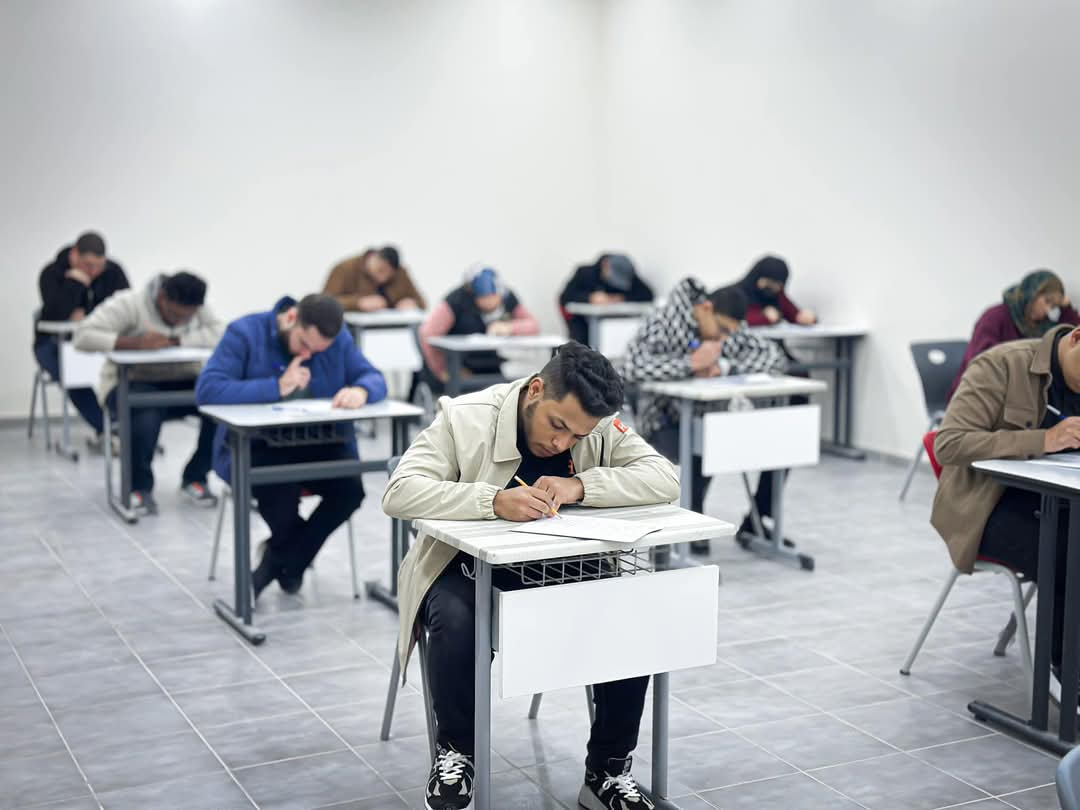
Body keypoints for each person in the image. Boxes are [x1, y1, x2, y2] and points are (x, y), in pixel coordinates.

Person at [383, 341, 679, 810]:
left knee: (632, 614)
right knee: (458, 618)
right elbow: (400, 491)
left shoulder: (597, 426)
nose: (562, 444)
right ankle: (456, 752)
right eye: (557, 425)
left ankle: (607, 772)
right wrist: (491, 501)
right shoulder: (465, 416)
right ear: (536, 390)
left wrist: (582, 484)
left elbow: (664, 478)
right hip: (465, 567)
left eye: (576, 437)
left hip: (562, 564)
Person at [196, 294, 387, 598]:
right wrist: (275, 387)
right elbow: (207, 390)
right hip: (258, 446)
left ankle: (276, 563)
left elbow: (374, 377)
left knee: (350, 489)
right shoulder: (245, 333)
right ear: (290, 319)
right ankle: (291, 565)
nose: (309, 354)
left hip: (321, 441)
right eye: (304, 345)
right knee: (279, 491)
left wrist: (361, 390)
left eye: (318, 350)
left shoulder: (339, 341)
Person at [933, 322, 1080, 705]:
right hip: (988, 507)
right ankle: (1066, 673)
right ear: (1077, 339)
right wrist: (1043, 440)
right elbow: (949, 443)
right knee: (1068, 554)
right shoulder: (1002, 366)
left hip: (1062, 503)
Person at [619, 278, 788, 553]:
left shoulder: (726, 328)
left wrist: (725, 366)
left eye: (729, 335)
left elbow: (774, 356)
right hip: (662, 420)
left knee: (770, 442)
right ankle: (683, 530)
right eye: (721, 330)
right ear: (706, 308)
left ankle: (734, 521)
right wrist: (690, 364)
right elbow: (632, 366)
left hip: (709, 420)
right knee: (703, 447)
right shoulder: (663, 321)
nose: (723, 339)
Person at [74, 271, 223, 514]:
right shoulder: (129, 303)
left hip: (183, 378)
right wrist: (135, 343)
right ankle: (139, 488)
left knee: (220, 406)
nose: (179, 323)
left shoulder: (199, 309)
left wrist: (176, 342)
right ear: (162, 297)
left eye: (188, 318)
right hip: (132, 380)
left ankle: (196, 476)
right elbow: (83, 336)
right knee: (144, 413)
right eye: (174, 315)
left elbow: (220, 332)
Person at [33, 231, 130, 446]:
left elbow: (124, 308)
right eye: (88, 265)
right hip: (52, 344)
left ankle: (123, 426)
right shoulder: (51, 273)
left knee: (124, 370)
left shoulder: (113, 272)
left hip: (98, 341)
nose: (94, 271)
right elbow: (52, 316)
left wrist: (89, 317)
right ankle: (109, 427)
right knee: (73, 372)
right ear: (75, 255)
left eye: (98, 266)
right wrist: (76, 283)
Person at [948, 269, 1080, 401]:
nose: (1047, 310)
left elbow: (1069, 338)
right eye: (1047, 301)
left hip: (1016, 397)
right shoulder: (995, 317)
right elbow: (982, 362)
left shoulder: (1042, 326)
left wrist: (1066, 308)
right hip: (979, 392)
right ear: (1032, 293)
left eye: (1053, 307)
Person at [418, 265, 540, 388]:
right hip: (458, 365)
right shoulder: (456, 301)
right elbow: (428, 334)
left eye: (494, 297)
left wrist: (510, 327)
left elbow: (533, 325)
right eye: (484, 298)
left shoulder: (507, 297)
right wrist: (442, 370)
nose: (490, 302)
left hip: (488, 365)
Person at [559, 253, 654, 345]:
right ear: (605, 265)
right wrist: (590, 298)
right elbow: (565, 296)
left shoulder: (627, 272)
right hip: (583, 325)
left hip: (615, 325)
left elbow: (648, 294)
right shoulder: (585, 273)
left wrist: (620, 297)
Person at [322, 245, 426, 312]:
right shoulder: (345, 269)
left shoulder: (401, 273)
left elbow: (422, 303)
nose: (383, 278)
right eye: (381, 270)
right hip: (351, 332)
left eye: (389, 275)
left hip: (393, 331)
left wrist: (412, 303)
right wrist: (358, 303)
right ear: (373, 258)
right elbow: (325, 303)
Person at [735, 255, 817, 327]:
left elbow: (795, 315)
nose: (773, 288)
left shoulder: (777, 296)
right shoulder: (733, 295)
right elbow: (732, 321)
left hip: (771, 344)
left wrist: (807, 318)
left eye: (778, 285)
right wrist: (763, 317)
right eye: (769, 282)